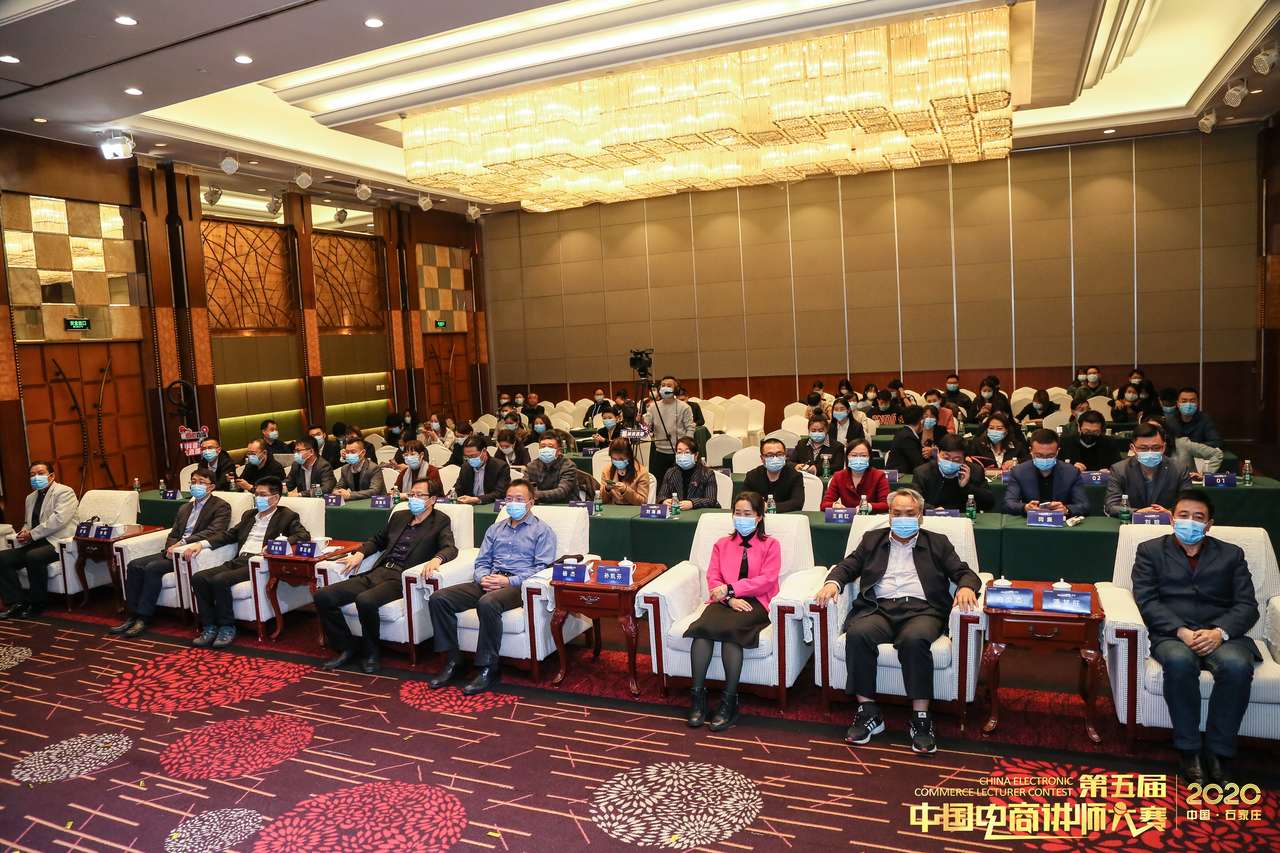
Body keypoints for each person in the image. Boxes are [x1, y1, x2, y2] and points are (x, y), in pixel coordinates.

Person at [815, 488, 980, 753]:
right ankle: (868, 712)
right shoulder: (872, 539)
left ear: (921, 516)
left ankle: (921, 718)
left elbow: (964, 572)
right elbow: (847, 566)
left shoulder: (937, 542)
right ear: (890, 516)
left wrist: (966, 587)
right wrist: (832, 583)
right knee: (857, 634)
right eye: (897, 513)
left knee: (914, 640)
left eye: (910, 513)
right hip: (879, 608)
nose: (903, 519)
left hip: (922, 610)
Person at [1131, 490, 1260, 784]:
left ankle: (1218, 752)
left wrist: (1219, 632)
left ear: (1209, 524)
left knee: (1237, 666)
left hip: (1221, 634)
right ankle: (1188, 750)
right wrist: (1181, 630)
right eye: (1183, 515)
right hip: (1173, 633)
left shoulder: (1231, 554)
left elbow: (1247, 605)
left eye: (1198, 517)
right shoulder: (1150, 550)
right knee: (1179, 662)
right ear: (1171, 518)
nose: (1190, 522)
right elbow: (1147, 600)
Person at [428, 480, 557, 694]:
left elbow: (542, 568)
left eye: (519, 499)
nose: (513, 503)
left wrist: (508, 581)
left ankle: (488, 667)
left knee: (487, 603)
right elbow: (482, 561)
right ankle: (453, 660)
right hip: (488, 580)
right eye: (509, 499)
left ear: (531, 503)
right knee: (439, 598)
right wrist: (483, 578)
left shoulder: (542, 531)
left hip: (517, 586)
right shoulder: (495, 529)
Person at [316, 482, 458, 674]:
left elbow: (450, 547)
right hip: (379, 571)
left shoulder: (440, 520)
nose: (414, 499)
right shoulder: (400, 516)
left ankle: (371, 653)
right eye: (412, 494)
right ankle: (347, 647)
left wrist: (437, 558)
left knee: (365, 600)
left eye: (420, 495)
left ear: (432, 499)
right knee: (323, 596)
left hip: (400, 578)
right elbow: (378, 540)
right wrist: (360, 553)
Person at [684, 492, 779, 732]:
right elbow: (713, 577)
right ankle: (697, 699)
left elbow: (767, 580)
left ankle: (729, 702)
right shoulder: (721, 544)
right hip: (724, 601)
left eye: (748, 513)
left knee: (731, 636)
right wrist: (729, 598)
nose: (742, 518)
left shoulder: (771, 545)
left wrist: (733, 589)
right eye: (738, 513)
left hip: (756, 602)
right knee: (702, 631)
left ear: (759, 517)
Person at [186, 477, 309, 647]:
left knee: (220, 580)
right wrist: (202, 544)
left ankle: (227, 627)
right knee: (199, 578)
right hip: (239, 559)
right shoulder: (249, 515)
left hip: (257, 561)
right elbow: (229, 535)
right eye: (256, 494)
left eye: (263, 495)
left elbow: (303, 535)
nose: (258, 498)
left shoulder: (286, 515)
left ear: (275, 498)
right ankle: (209, 626)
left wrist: (276, 544)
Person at [111, 469, 231, 637]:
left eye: (201, 482)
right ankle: (133, 615)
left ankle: (143, 618)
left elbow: (214, 531)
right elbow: (174, 533)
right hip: (173, 550)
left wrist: (181, 544)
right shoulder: (184, 507)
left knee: (153, 568)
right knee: (134, 565)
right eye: (193, 482)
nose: (196, 485)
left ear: (211, 487)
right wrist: (170, 548)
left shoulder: (221, 506)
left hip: (188, 551)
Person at [0, 461, 78, 618]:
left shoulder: (64, 492)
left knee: (33, 556)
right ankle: (17, 602)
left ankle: (37, 604)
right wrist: (24, 531)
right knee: (3, 557)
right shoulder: (30, 497)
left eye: (40, 473)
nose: (36, 477)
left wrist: (32, 534)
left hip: (58, 541)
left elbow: (58, 520)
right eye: (32, 475)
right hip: (37, 541)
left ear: (51, 476)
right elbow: (28, 523)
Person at [1104, 424, 1193, 516]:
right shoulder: (1119, 470)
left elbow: (1188, 504)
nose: (1150, 452)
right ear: (1132, 448)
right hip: (1133, 522)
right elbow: (1112, 506)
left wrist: (1169, 513)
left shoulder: (1179, 469)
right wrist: (1138, 513)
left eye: (1156, 448)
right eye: (1143, 448)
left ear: (1164, 447)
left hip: (1167, 522)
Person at [1003, 429, 1089, 516]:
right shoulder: (1019, 472)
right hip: (1030, 520)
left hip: (1061, 520)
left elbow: (1083, 505)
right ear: (1031, 451)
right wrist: (1025, 508)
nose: (1044, 459)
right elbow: (1008, 503)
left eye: (1050, 456)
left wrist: (1066, 510)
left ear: (1057, 452)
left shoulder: (1071, 472)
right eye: (1039, 455)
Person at [913, 434, 995, 512]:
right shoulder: (922, 472)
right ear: (938, 453)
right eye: (946, 458)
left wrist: (967, 487)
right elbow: (914, 502)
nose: (950, 462)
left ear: (964, 460)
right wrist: (933, 510)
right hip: (934, 518)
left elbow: (989, 503)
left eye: (956, 460)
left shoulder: (975, 471)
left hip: (964, 518)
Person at [642, 375, 696, 487]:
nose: (665, 387)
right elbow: (646, 428)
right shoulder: (653, 407)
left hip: (678, 452)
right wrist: (641, 421)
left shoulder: (684, 407)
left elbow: (690, 428)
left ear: (676, 389)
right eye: (663, 385)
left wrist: (686, 448)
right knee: (659, 484)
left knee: (679, 484)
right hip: (659, 452)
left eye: (669, 385)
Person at [1141, 414, 1223, 475]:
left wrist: (1206, 476)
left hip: (1186, 489)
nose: (1153, 433)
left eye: (1157, 428)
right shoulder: (1140, 449)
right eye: (1149, 429)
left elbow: (1216, 454)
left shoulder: (1182, 444)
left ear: (1165, 430)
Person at [821, 439, 889, 511]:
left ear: (869, 457)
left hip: (870, 516)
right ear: (847, 457)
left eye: (863, 455)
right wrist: (835, 505)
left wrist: (869, 507)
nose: (858, 459)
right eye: (854, 455)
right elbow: (824, 504)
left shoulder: (879, 476)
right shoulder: (839, 476)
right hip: (848, 517)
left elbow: (886, 504)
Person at [742, 437, 805, 512]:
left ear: (785, 456)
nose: (775, 458)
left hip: (786, 516)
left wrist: (768, 507)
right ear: (762, 458)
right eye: (770, 455)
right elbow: (743, 501)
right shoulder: (752, 476)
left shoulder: (795, 476)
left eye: (779, 454)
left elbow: (797, 503)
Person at [660, 436, 720, 511]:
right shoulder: (671, 473)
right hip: (676, 513)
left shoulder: (707, 473)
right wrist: (664, 501)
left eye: (687, 452)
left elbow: (711, 500)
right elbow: (662, 496)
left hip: (699, 514)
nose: (683, 456)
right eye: (679, 452)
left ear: (696, 455)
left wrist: (692, 503)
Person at [1059, 411, 1124, 471]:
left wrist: (1110, 472)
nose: (1090, 434)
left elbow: (1119, 469)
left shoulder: (1110, 443)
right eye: (1087, 431)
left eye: (1095, 432)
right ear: (1079, 427)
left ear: (1101, 430)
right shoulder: (1065, 443)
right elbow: (1057, 467)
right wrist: (1069, 468)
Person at [524, 432, 578, 503]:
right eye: (543, 446)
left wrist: (534, 494)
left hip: (564, 505)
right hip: (538, 505)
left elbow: (562, 491)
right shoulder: (532, 466)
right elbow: (523, 486)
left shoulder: (569, 466)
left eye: (550, 447)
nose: (546, 449)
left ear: (559, 451)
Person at [455, 436, 511, 504]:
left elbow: (500, 493)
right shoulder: (465, 467)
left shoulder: (501, 467)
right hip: (469, 505)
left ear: (484, 451)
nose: (470, 459)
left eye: (473, 456)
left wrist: (476, 499)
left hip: (490, 505)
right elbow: (458, 489)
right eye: (467, 457)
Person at [599, 438, 652, 505]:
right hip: (613, 508)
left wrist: (626, 490)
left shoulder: (642, 472)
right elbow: (601, 500)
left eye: (621, 459)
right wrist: (606, 489)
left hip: (633, 509)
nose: (617, 462)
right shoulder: (607, 470)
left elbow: (642, 502)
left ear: (629, 457)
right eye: (614, 459)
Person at [887, 405, 932, 473]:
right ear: (921, 420)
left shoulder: (905, 432)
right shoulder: (907, 437)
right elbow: (919, 464)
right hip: (898, 476)